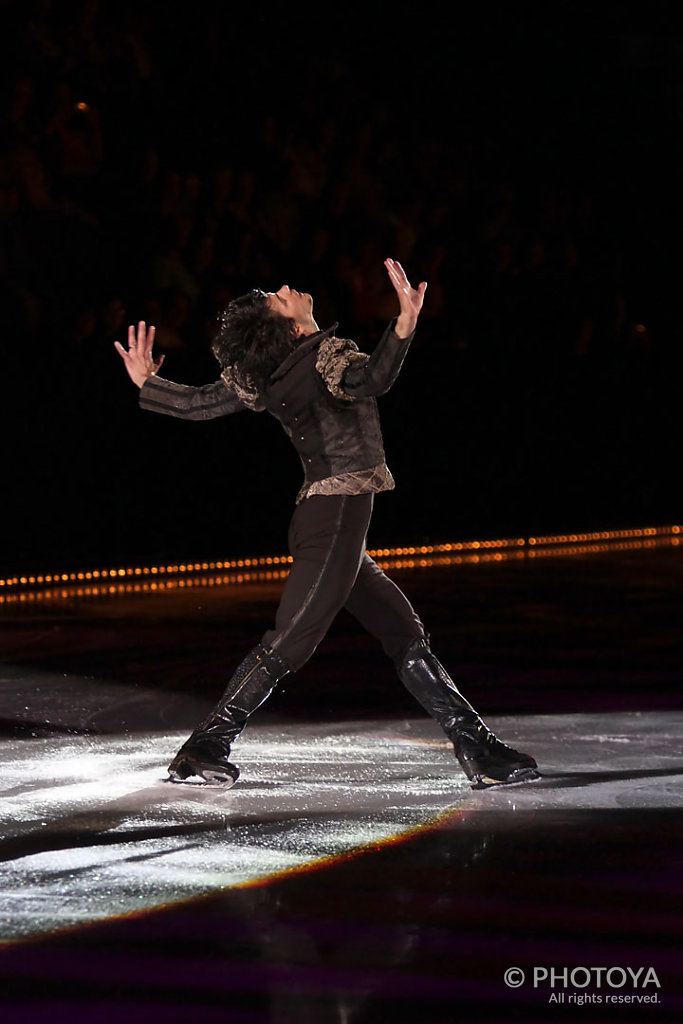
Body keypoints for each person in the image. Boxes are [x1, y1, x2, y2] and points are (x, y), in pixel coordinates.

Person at [115, 259, 540, 789]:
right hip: (334, 520)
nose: (286, 287)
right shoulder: (322, 359)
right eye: (278, 295)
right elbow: (374, 378)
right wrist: (404, 324)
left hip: (337, 524)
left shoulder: (277, 372)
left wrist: (150, 385)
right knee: (290, 642)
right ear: (289, 325)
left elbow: (197, 404)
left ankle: (476, 748)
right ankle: (204, 747)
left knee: (403, 633)